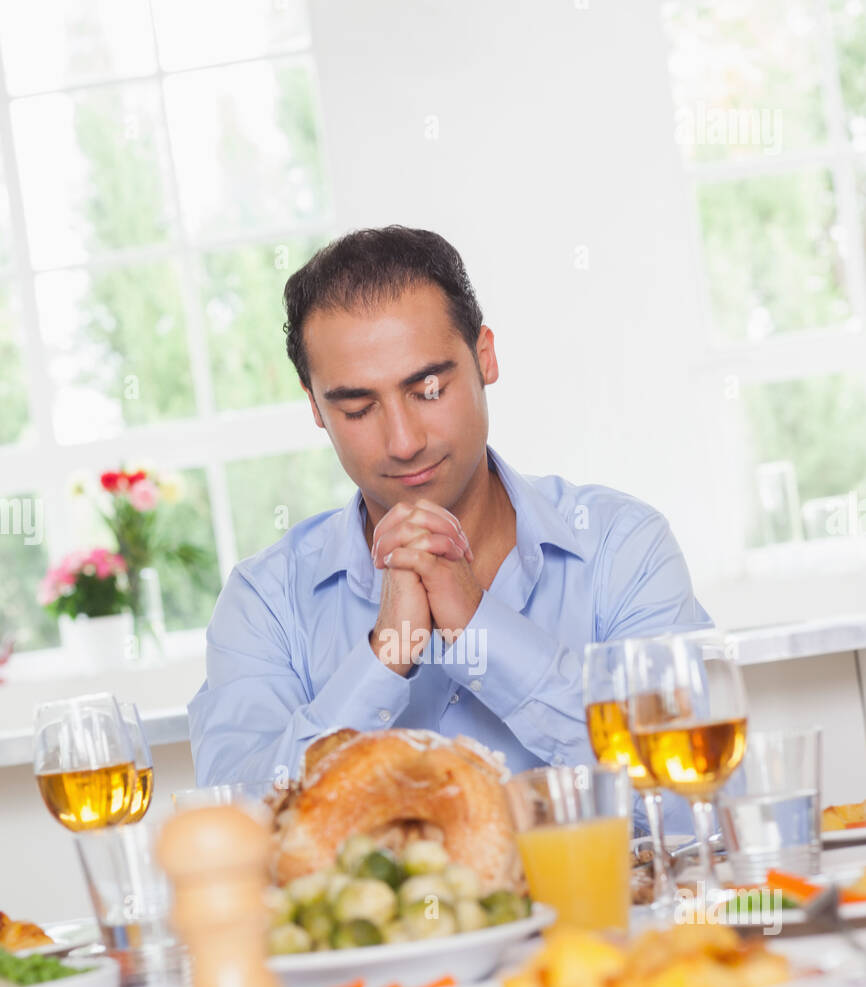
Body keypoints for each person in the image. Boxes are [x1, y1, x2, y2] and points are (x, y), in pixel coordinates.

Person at [188, 226, 710, 829]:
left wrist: (479, 627)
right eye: (357, 408)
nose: (404, 442)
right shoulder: (265, 604)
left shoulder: (623, 548)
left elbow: (692, 809)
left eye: (429, 389)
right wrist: (385, 657)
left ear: (485, 355)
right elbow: (241, 841)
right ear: (314, 406)